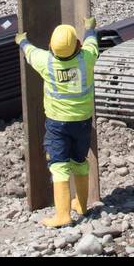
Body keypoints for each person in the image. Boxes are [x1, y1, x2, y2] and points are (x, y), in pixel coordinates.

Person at [14, 19, 100, 227]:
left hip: (57, 125)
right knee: (79, 162)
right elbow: (92, 43)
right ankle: (81, 205)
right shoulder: (86, 60)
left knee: (59, 166)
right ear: (77, 45)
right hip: (82, 122)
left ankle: (62, 215)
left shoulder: (46, 62)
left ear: (52, 47)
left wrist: (22, 41)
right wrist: (90, 28)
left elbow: (30, 52)